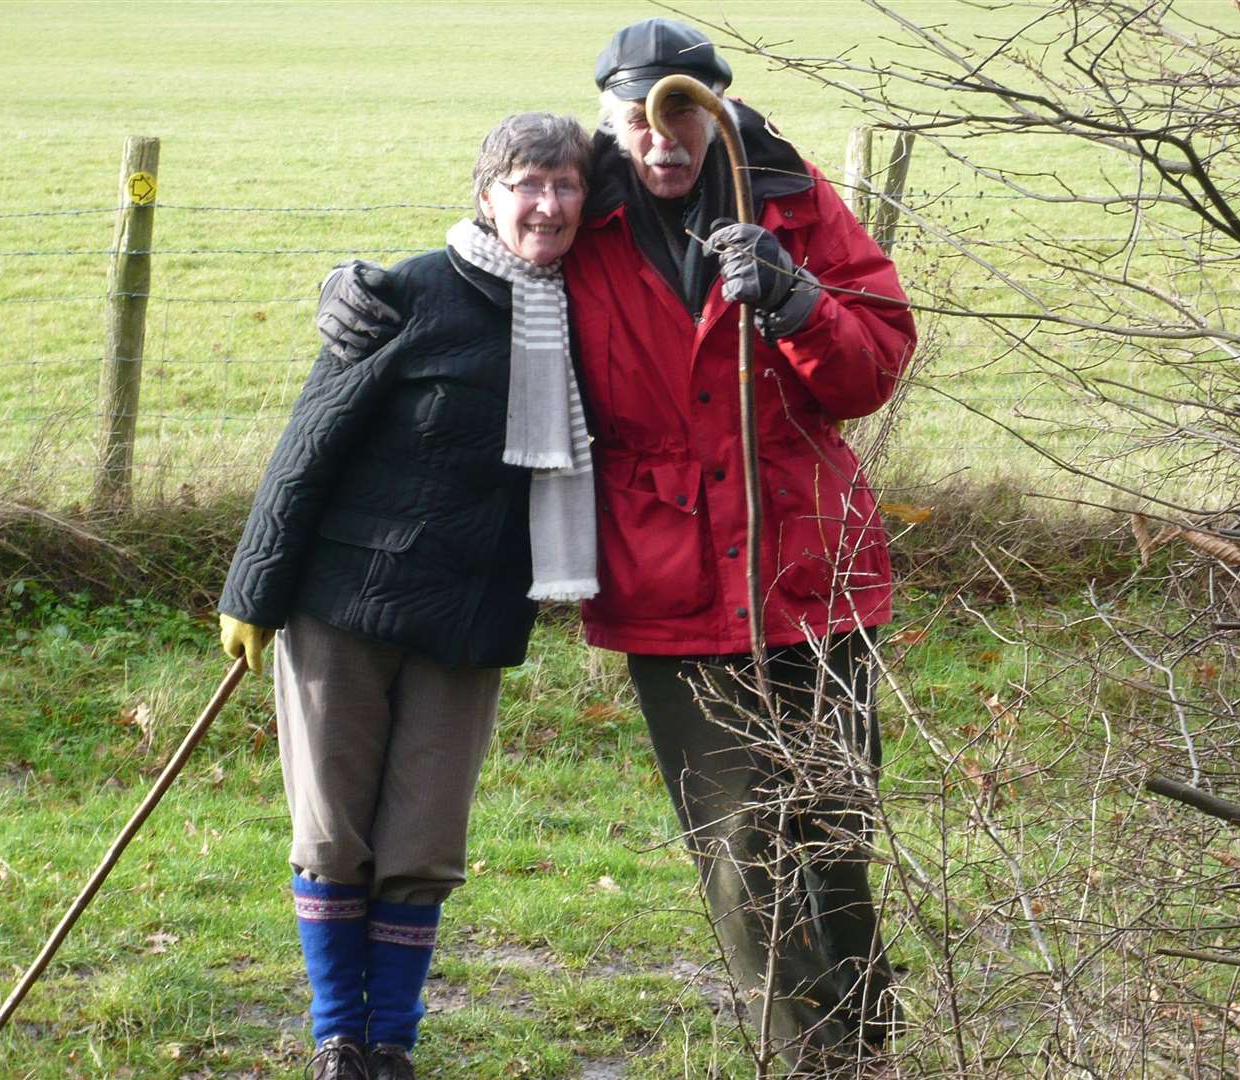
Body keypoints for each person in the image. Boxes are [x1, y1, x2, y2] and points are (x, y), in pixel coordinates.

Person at [319, 19, 916, 1072]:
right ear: (607, 119)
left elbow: (869, 373)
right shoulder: (578, 216)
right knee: (744, 853)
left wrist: (795, 300)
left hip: (812, 573)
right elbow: (473, 273)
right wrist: (364, 297)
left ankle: (865, 1053)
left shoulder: (792, 200)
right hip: (671, 583)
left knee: (830, 835)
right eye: (636, 116)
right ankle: (817, 1060)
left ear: (714, 109)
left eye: (680, 110)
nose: (660, 136)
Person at [218, 112, 596, 1080]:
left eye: (564, 185)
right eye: (526, 184)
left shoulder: (588, 309)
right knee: (332, 832)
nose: (546, 205)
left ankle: (391, 1045)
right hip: (342, 604)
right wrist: (252, 591)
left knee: (421, 842)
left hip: (468, 620)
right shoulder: (408, 294)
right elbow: (309, 445)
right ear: (485, 195)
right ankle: (339, 1036)